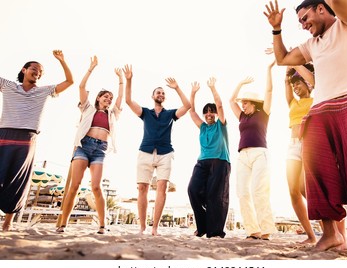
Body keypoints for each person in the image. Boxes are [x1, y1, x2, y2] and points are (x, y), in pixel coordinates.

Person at [264, 0, 347, 252]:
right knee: (317, 172)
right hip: (320, 109)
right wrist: (276, 29)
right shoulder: (311, 45)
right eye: (300, 22)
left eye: (305, 18)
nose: (303, 25)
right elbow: (282, 58)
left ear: (321, 8)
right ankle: (330, 235)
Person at [0, 50, 74, 231]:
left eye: (41, 72)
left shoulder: (44, 90)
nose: (38, 73)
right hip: (5, 134)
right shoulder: (8, 85)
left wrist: (62, 61)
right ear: (24, 70)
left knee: (19, 180)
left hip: (27, 139)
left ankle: (7, 223)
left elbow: (69, 82)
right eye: (34, 69)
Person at [56, 56, 124, 234]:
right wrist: (91, 68)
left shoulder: (112, 114)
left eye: (110, 97)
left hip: (100, 149)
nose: (109, 99)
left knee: (95, 186)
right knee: (75, 185)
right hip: (83, 146)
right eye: (106, 96)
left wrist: (121, 81)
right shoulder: (87, 107)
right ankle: (63, 224)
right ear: (99, 98)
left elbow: (120, 100)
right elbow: (81, 87)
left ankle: (102, 225)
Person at [124, 64, 191, 236]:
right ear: (153, 96)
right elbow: (128, 101)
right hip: (145, 151)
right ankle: (142, 227)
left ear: (164, 98)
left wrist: (177, 88)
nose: (160, 94)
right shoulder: (145, 112)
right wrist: (129, 80)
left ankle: (155, 228)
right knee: (142, 189)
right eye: (158, 92)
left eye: (163, 93)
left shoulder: (170, 114)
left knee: (162, 187)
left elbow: (188, 105)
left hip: (165, 153)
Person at [229, 57, 276, 240]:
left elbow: (269, 91)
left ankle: (266, 230)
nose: (242, 105)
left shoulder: (263, 113)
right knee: (242, 192)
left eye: (245, 102)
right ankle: (252, 230)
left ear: (253, 103)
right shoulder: (241, 116)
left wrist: (269, 69)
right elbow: (231, 100)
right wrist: (240, 83)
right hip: (243, 155)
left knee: (259, 190)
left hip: (259, 153)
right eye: (242, 103)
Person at [187, 77, 231, 238]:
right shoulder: (203, 127)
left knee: (215, 196)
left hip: (220, 162)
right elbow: (191, 111)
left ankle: (215, 231)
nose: (208, 114)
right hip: (202, 162)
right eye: (206, 112)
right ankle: (203, 226)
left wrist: (213, 88)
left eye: (211, 111)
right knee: (192, 190)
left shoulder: (221, 125)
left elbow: (219, 105)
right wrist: (193, 93)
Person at [284, 63, 317, 244]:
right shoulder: (293, 102)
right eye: (294, 84)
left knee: (307, 189)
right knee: (293, 190)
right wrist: (288, 67)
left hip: (309, 144)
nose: (296, 87)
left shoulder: (315, 100)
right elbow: (286, 84)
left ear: (308, 84)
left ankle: (330, 228)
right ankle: (311, 235)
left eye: (299, 83)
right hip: (292, 145)